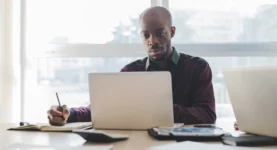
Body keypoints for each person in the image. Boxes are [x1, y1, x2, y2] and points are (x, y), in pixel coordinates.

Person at [47, 6, 216, 126]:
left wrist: (161, 109)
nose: (153, 41)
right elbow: (104, 108)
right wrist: (70, 113)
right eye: (146, 35)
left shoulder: (198, 67)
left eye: (160, 33)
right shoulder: (130, 72)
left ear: (172, 31)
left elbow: (208, 115)